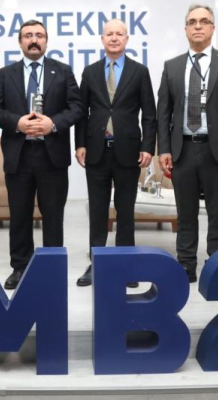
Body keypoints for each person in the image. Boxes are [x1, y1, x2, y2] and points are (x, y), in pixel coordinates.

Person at [157, 4, 218, 283]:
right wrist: (164, 149)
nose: (198, 26)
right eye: (192, 22)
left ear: (213, 27)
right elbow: (164, 111)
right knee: (185, 214)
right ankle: (186, 266)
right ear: (185, 29)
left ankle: (217, 266)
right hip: (183, 150)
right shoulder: (172, 66)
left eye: (204, 21)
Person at [0, 19, 84, 290]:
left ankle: (51, 268)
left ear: (46, 41)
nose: (34, 40)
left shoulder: (62, 71)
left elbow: (77, 107)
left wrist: (53, 123)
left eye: (39, 35)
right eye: (28, 35)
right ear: (20, 42)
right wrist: (17, 123)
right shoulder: (5, 74)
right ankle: (20, 267)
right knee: (19, 215)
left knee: (53, 215)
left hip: (51, 155)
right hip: (18, 155)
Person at [74, 19, 156, 287]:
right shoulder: (90, 72)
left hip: (128, 151)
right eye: (109, 34)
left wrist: (147, 146)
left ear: (126, 39)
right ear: (102, 39)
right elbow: (81, 113)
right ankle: (96, 263)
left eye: (119, 34)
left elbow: (150, 114)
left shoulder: (139, 71)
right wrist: (80, 144)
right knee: (97, 210)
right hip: (96, 151)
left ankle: (125, 266)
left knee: (125, 210)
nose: (114, 38)